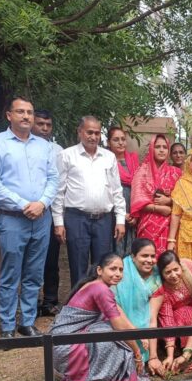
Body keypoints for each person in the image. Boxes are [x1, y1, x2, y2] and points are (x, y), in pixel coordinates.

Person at [0, 96, 58, 338]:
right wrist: (25, 204)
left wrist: (42, 203)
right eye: (20, 112)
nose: (26, 116)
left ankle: (27, 322)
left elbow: (53, 179)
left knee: (34, 273)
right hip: (12, 219)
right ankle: (6, 325)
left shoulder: (44, 146)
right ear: (9, 115)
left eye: (29, 112)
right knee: (10, 273)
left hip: (41, 219)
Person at [50, 253, 144, 381]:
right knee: (117, 339)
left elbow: (121, 316)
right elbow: (119, 327)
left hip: (59, 344)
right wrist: (137, 353)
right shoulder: (100, 289)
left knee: (109, 329)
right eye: (113, 269)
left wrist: (138, 335)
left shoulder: (97, 286)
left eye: (121, 270)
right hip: (65, 347)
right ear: (100, 271)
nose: (118, 274)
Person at [52, 116, 126, 288]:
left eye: (97, 133)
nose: (93, 137)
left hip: (103, 219)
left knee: (103, 265)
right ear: (80, 132)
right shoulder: (66, 156)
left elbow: (116, 190)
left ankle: (100, 308)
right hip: (76, 218)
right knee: (78, 265)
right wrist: (58, 222)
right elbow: (59, 191)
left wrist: (120, 220)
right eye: (89, 132)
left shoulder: (109, 157)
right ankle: (79, 308)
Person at [113, 238, 161, 377]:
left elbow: (152, 319)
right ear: (133, 257)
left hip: (144, 335)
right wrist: (135, 332)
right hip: (117, 325)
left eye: (152, 256)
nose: (149, 260)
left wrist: (153, 356)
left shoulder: (157, 279)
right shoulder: (120, 273)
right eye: (144, 255)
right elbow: (114, 309)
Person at [32, 110, 64, 317]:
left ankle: (50, 301)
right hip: (27, 210)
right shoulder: (24, 148)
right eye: (40, 124)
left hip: (51, 209)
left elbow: (60, 182)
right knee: (31, 260)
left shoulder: (57, 150)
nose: (44, 128)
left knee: (51, 259)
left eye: (48, 125)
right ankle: (31, 302)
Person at [130, 134, 182, 255]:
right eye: (157, 146)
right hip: (147, 224)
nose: (162, 150)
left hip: (170, 227)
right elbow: (137, 201)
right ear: (152, 149)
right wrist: (159, 208)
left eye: (165, 147)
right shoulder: (142, 171)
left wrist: (169, 201)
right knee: (147, 258)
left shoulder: (176, 173)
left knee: (167, 262)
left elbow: (184, 200)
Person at [149, 251, 192, 371]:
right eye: (168, 272)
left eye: (176, 269)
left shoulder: (190, 271)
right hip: (175, 323)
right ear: (162, 274)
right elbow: (167, 319)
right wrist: (170, 355)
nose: (174, 275)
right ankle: (178, 349)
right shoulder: (163, 291)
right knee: (184, 313)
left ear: (181, 267)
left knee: (191, 312)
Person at [108, 126, 140, 257]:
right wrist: (122, 213)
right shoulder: (106, 161)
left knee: (130, 246)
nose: (121, 142)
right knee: (115, 246)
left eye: (123, 139)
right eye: (116, 139)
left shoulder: (133, 160)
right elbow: (106, 190)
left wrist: (135, 213)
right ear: (108, 143)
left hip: (133, 208)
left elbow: (139, 186)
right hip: (113, 211)